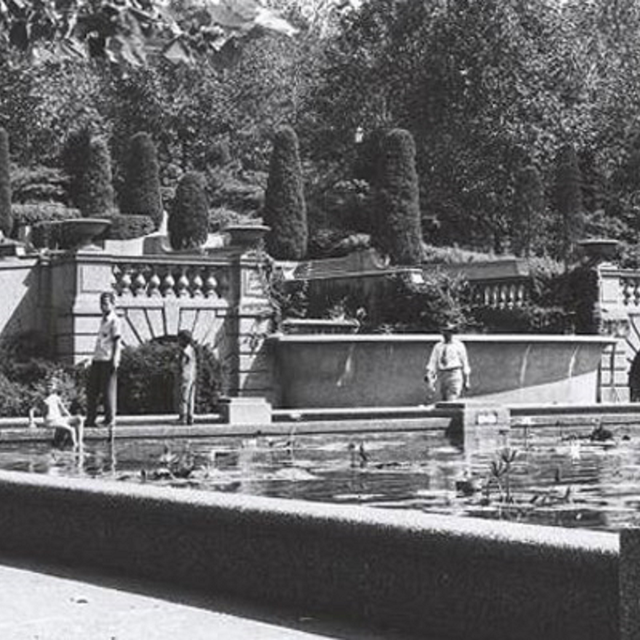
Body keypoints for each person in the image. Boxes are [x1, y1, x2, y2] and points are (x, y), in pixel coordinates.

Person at [85, 291, 122, 428]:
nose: (103, 306)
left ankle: (110, 419)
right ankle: (90, 418)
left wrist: (116, 359)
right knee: (92, 389)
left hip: (108, 358)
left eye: (106, 303)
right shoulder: (103, 320)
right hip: (98, 358)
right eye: (102, 303)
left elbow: (117, 342)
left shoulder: (115, 321)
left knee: (108, 390)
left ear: (113, 304)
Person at [29, 377, 84, 449]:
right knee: (71, 430)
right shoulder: (41, 398)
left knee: (79, 418)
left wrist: (70, 418)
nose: (49, 387)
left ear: (55, 387)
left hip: (60, 419)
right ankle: (74, 447)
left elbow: (63, 410)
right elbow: (32, 410)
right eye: (47, 385)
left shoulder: (56, 397)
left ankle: (80, 442)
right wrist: (31, 422)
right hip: (51, 421)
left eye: (51, 385)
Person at [425, 321, 471, 401]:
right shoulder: (438, 346)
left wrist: (467, 380)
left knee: (452, 397)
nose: (446, 334)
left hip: (454, 373)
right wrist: (430, 375)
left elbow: (465, 363)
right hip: (442, 374)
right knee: (444, 400)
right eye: (444, 331)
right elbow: (433, 362)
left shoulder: (459, 345)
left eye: (448, 332)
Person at [177, 329, 197, 425]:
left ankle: (183, 417)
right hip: (192, 375)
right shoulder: (192, 350)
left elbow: (182, 364)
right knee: (190, 397)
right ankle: (190, 417)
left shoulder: (184, 351)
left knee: (183, 397)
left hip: (185, 375)